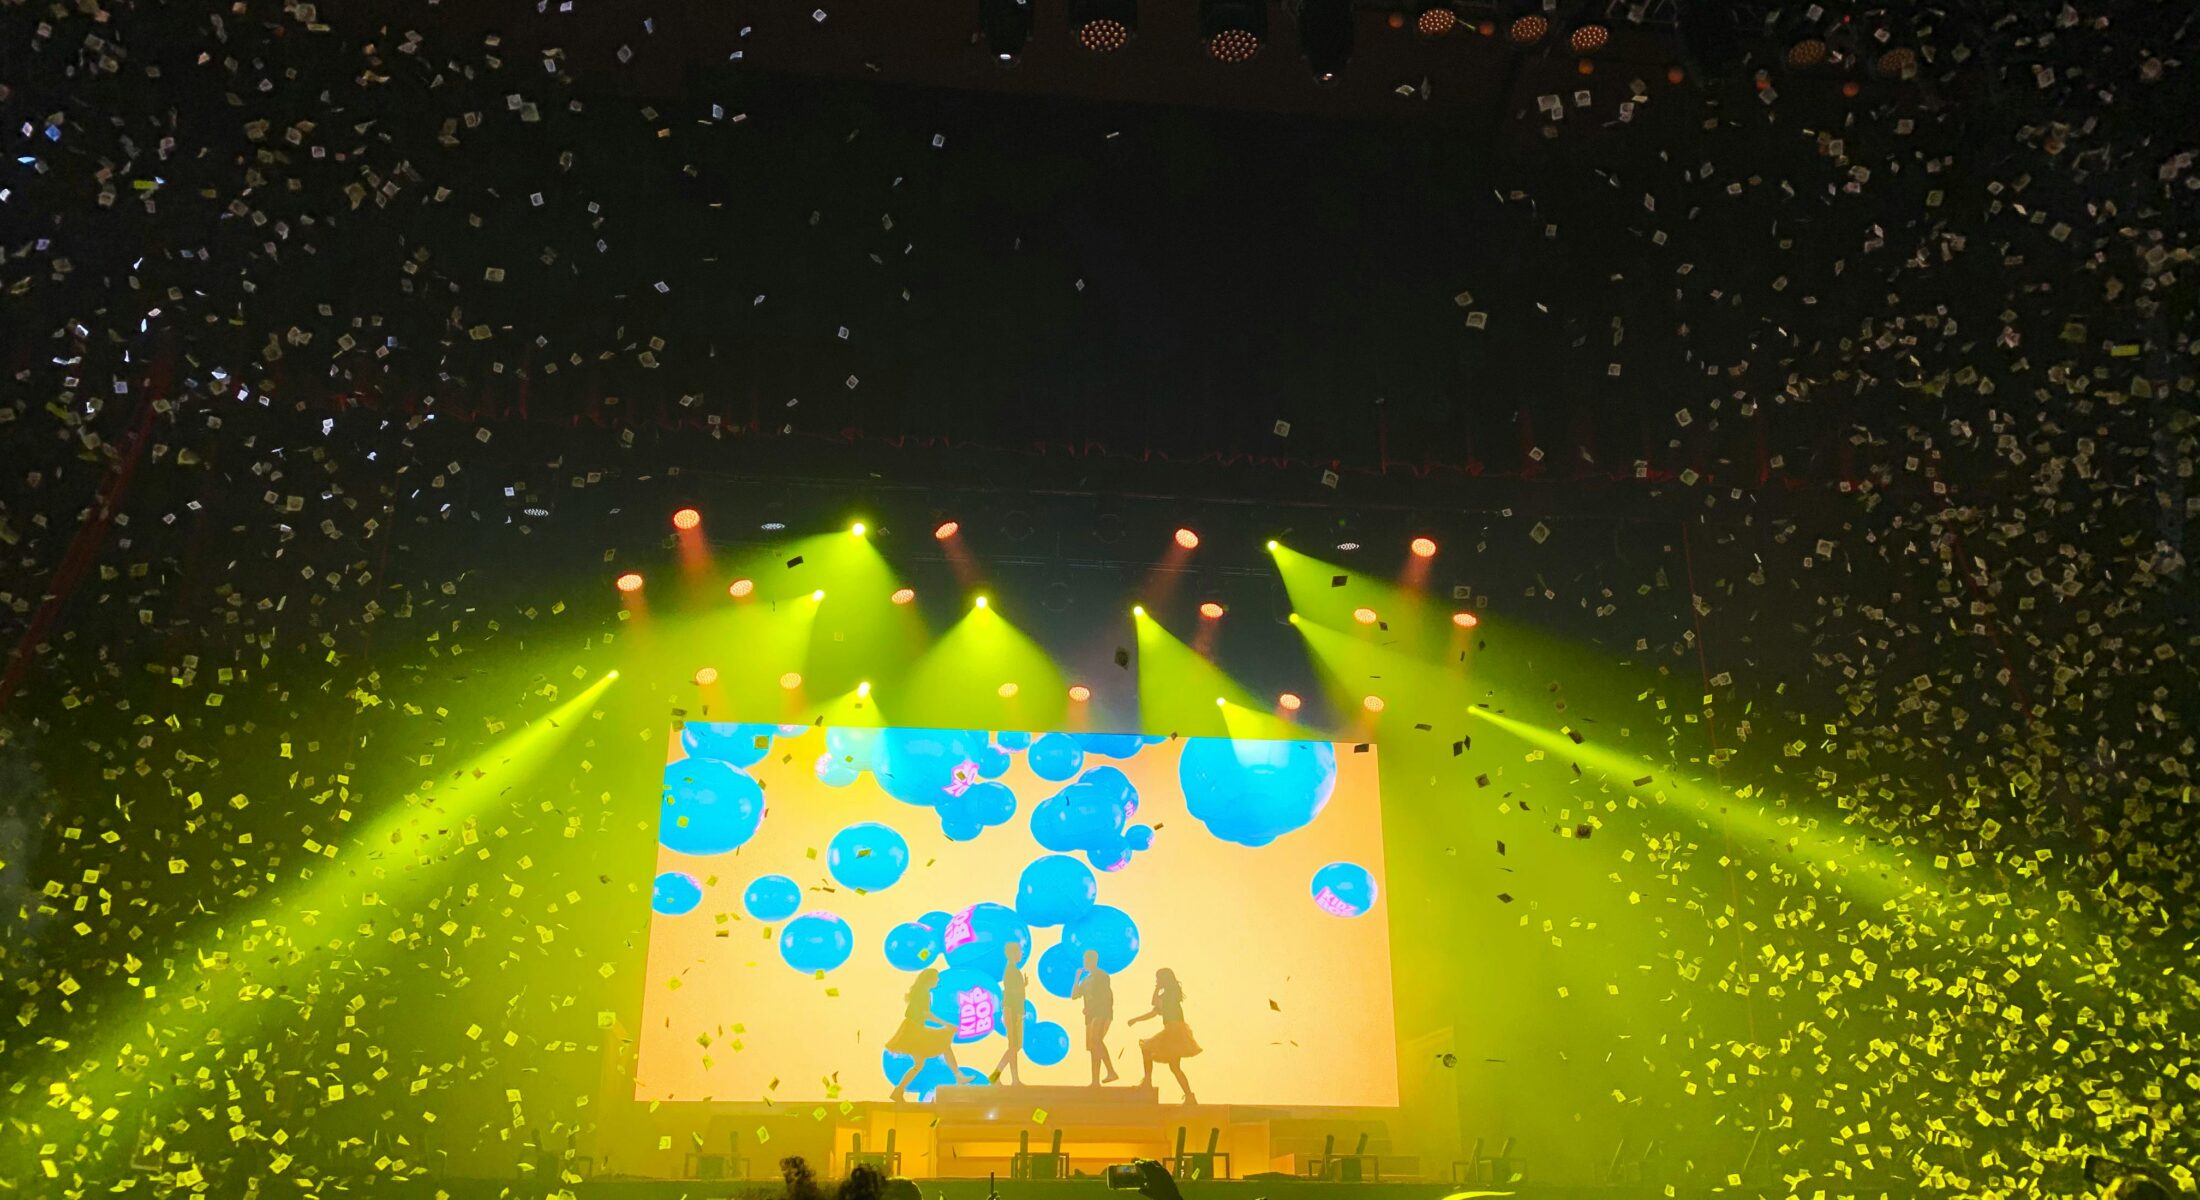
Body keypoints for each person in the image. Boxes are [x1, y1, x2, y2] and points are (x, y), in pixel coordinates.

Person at [884, 967, 958, 1102]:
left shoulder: (921, 991)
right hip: (914, 1030)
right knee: (944, 1041)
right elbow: (926, 1014)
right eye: (936, 978)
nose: (938, 980)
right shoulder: (923, 992)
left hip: (912, 1029)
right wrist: (946, 1025)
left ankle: (898, 1091)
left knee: (919, 1064)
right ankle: (958, 1075)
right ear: (929, 979)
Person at [1128, 968, 1200, 1104]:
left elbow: (1154, 1003)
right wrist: (1136, 1019)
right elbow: (1154, 1011)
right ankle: (1189, 1096)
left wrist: (1156, 990)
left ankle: (1148, 1082)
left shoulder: (1170, 994)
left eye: (1158, 978)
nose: (1156, 981)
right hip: (1173, 1030)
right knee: (1174, 1067)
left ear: (1164, 979)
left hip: (1174, 1031)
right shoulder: (1167, 995)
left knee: (1147, 1049)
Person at [1071, 949, 1120, 1085]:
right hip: (1090, 1017)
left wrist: (1091, 1008)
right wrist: (1077, 978)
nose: (1086, 963)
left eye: (1088, 960)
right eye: (1085, 960)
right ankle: (1095, 1081)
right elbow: (1074, 996)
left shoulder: (1102, 976)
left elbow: (1106, 997)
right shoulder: (1086, 980)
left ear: (1094, 961)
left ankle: (1111, 1071)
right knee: (1093, 1047)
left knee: (1096, 1041)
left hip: (1101, 1013)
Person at [991, 940, 1028, 1086]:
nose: (1021, 954)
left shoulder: (1012, 970)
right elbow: (1010, 992)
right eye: (1019, 951)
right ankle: (996, 1075)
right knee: (1014, 1046)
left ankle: (1014, 1079)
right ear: (1013, 953)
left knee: (1014, 1046)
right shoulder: (1011, 970)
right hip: (1012, 1011)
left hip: (1015, 1011)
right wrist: (1021, 988)